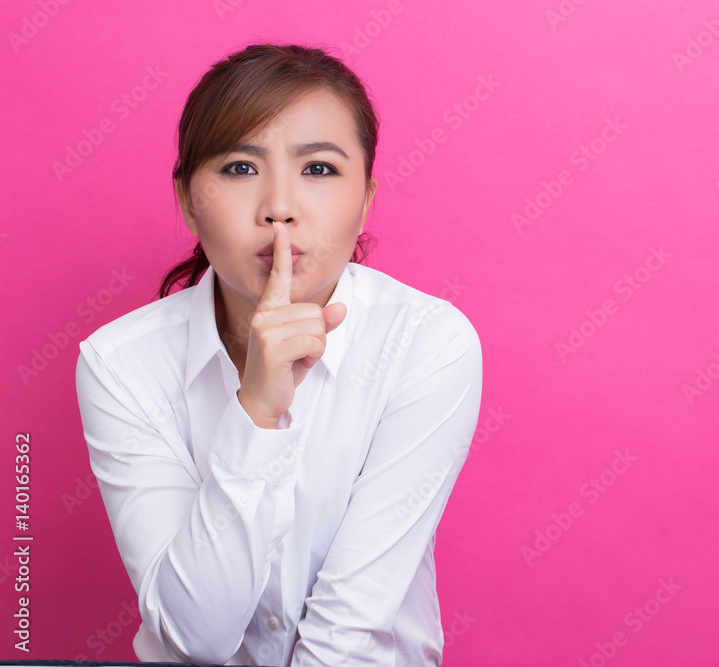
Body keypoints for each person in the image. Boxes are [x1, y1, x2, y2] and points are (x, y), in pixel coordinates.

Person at [74, 42, 483, 667]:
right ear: (186, 201)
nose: (280, 209)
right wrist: (256, 414)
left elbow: (350, 628)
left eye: (319, 169)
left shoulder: (427, 342)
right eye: (240, 168)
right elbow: (195, 638)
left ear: (367, 199)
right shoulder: (120, 363)